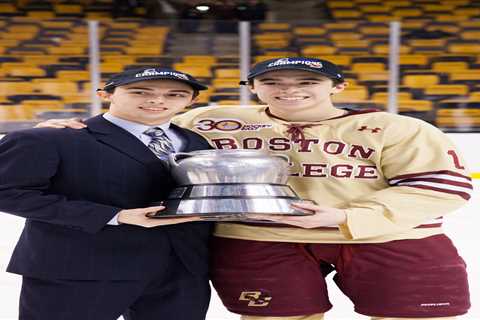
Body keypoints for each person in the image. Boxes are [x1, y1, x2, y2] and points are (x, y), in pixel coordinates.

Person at [34, 57, 473, 320]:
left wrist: (342, 216)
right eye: (274, 83)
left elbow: (439, 186)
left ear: (337, 87)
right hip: (259, 236)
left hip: (387, 237)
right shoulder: (212, 119)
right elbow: (142, 130)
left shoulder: (394, 127)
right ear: (254, 87)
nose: (290, 91)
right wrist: (68, 130)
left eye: (307, 83)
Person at [0, 67, 213, 320]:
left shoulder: (197, 141)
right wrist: (114, 216)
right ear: (106, 94)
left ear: (193, 100)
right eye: (139, 92)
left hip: (180, 271)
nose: (158, 100)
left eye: (175, 94)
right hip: (79, 270)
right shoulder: (51, 138)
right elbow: (7, 192)